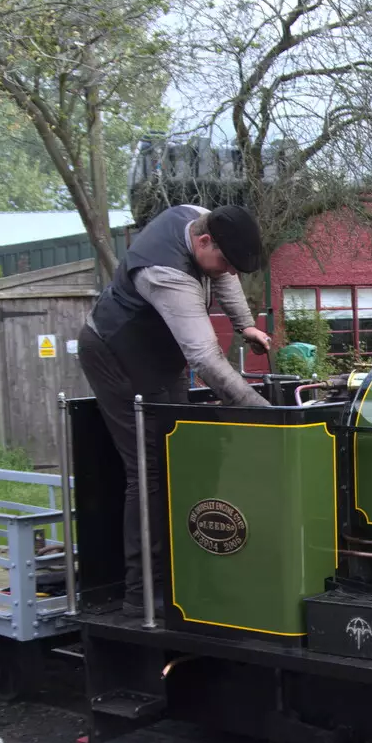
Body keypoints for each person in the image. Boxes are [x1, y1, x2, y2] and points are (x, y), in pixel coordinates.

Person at [78, 203, 273, 615]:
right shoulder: (166, 274)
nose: (223, 270)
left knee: (180, 458)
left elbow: (225, 273)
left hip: (159, 356)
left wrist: (244, 324)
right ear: (203, 241)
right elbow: (204, 358)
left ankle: (190, 570)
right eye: (220, 259)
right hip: (115, 353)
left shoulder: (198, 215)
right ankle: (142, 593)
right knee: (149, 467)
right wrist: (267, 414)